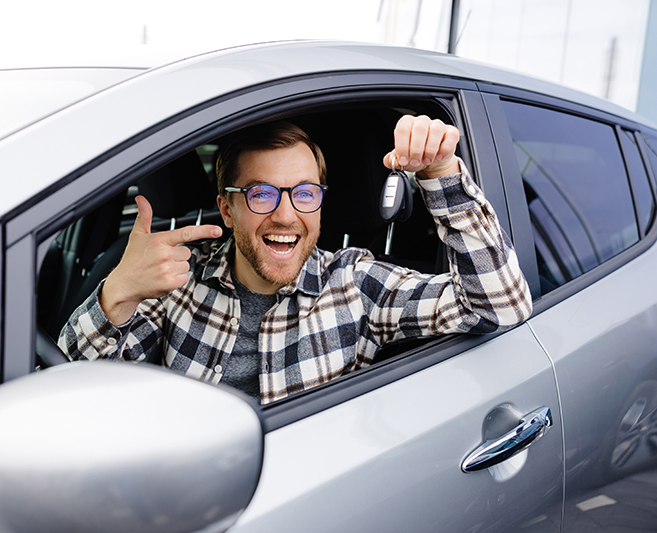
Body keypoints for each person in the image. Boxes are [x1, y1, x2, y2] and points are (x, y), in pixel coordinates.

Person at [59, 115, 532, 404]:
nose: (287, 215)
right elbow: (68, 392)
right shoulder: (178, 277)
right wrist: (117, 293)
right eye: (262, 193)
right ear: (227, 207)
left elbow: (500, 304)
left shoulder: (353, 283)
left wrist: (441, 172)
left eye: (305, 193)